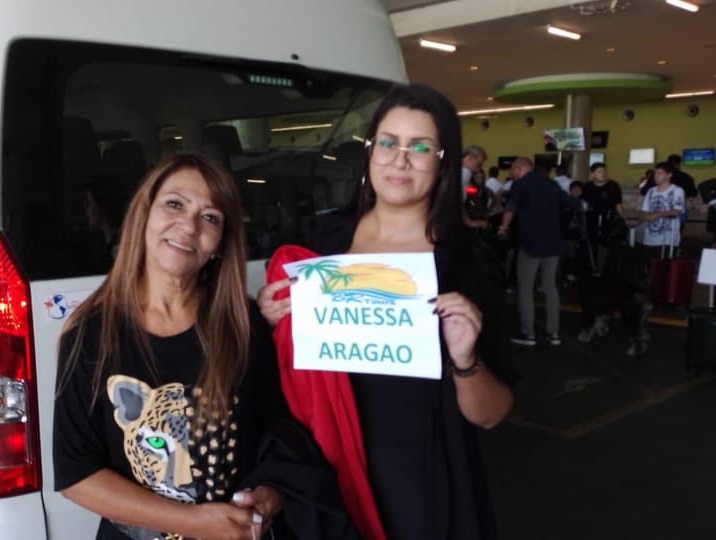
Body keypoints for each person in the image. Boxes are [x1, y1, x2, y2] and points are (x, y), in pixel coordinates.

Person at [257, 83, 513, 540]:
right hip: (326, 465)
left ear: (443, 162)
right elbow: (286, 361)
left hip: (422, 480)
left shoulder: (468, 263)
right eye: (389, 143)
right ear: (371, 152)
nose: (400, 159)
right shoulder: (324, 241)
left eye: (421, 147)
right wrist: (271, 314)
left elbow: (491, 414)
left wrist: (465, 360)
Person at [53, 153, 290, 540]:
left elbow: (282, 437)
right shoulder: (89, 333)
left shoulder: (244, 325)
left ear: (220, 243)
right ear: (143, 215)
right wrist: (194, 523)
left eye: (210, 217)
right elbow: (77, 475)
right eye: (174, 204)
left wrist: (271, 496)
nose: (189, 226)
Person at [499, 157, 582, 346]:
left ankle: (528, 334)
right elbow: (572, 203)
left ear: (521, 168)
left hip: (531, 244)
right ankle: (554, 334)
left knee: (526, 289)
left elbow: (511, 208)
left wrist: (503, 227)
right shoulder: (550, 183)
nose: (512, 173)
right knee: (550, 287)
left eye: (513, 170)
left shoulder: (520, 184)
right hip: (553, 244)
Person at [640, 161, 685, 253]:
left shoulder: (677, 190)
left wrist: (658, 214)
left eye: (660, 173)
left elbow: (677, 211)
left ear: (669, 175)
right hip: (649, 239)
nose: (656, 176)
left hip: (668, 240)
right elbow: (645, 212)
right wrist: (644, 217)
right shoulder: (651, 191)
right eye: (655, 173)